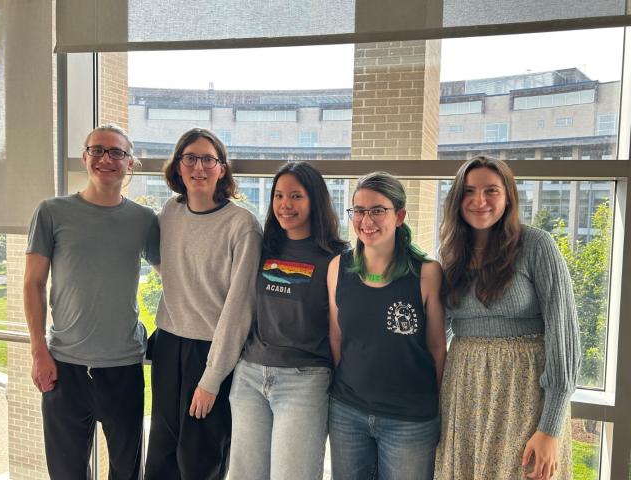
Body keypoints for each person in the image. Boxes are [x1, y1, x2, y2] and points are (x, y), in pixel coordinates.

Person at [24, 124, 160, 480]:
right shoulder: (51, 212)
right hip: (63, 366)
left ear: (130, 163)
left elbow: (178, 278)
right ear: (85, 157)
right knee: (66, 473)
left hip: (123, 368)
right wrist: (39, 350)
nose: (106, 158)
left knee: (127, 473)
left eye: (117, 152)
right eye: (97, 150)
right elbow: (33, 283)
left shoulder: (144, 220)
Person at [435, 155, 581, 480]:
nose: (479, 201)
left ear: (508, 196)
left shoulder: (536, 245)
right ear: (457, 198)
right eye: (469, 191)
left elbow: (564, 334)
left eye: (491, 191)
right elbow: (434, 331)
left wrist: (551, 427)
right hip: (463, 392)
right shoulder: (449, 254)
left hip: (524, 395)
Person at [144, 128, 261, 480]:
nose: (199, 167)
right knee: (161, 453)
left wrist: (211, 379)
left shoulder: (242, 224)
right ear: (178, 167)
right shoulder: (170, 211)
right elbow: (169, 264)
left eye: (208, 159)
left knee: (200, 458)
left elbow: (239, 310)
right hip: (168, 344)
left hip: (212, 351)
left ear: (222, 169)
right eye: (190, 158)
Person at [228, 161, 348, 479]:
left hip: (304, 379)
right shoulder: (263, 247)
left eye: (296, 196)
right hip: (250, 376)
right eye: (278, 195)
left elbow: (343, 327)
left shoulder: (337, 257)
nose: (285, 205)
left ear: (315, 201)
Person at [327, 171, 446, 480]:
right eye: (359, 211)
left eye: (378, 210)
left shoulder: (427, 273)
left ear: (400, 215)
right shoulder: (338, 267)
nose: (367, 220)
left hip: (409, 421)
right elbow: (337, 338)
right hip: (347, 412)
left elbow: (437, 349)